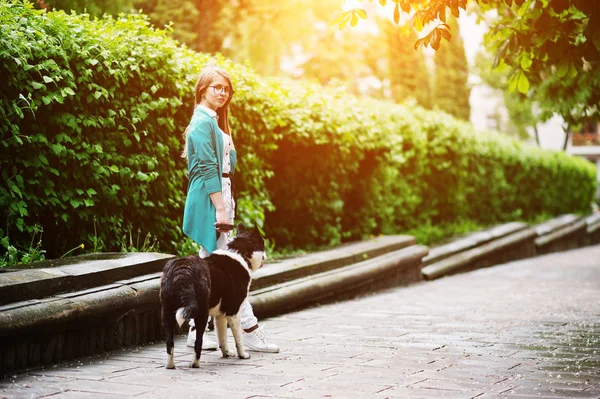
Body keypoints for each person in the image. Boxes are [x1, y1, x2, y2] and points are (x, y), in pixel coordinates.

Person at [181, 65, 279, 353]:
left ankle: (193, 327)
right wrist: (220, 210)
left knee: (211, 265)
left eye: (226, 89)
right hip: (212, 199)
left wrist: (227, 133)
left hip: (221, 195)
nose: (222, 93)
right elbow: (210, 169)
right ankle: (248, 328)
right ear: (202, 90)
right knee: (229, 268)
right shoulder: (201, 123)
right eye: (216, 88)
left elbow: (229, 165)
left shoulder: (213, 121)